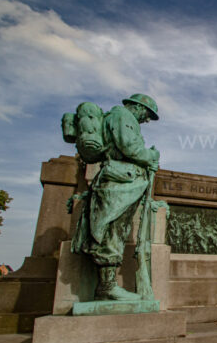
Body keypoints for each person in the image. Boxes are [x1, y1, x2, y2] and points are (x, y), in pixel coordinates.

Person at [71, 94, 161, 301]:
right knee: (112, 231)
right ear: (136, 107)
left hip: (123, 180)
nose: (146, 119)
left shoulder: (117, 117)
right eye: (147, 114)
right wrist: (151, 156)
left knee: (116, 231)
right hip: (120, 181)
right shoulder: (123, 116)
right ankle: (107, 287)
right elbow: (130, 147)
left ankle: (107, 285)